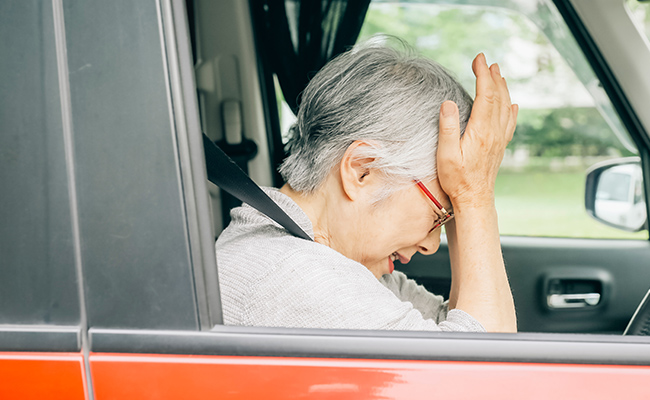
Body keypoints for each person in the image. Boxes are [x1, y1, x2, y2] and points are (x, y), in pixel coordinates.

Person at [216, 39, 518, 333]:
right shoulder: (293, 275)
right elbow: (485, 363)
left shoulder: (321, 258)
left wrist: (461, 197)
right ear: (362, 169)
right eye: (438, 216)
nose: (430, 245)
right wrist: (472, 193)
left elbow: (459, 323)